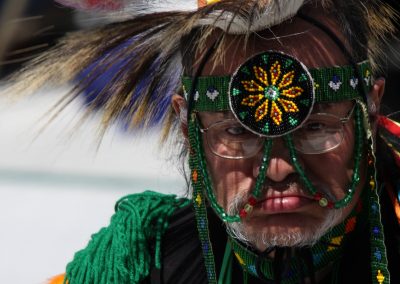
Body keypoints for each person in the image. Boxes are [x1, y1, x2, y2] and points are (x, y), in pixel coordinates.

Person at [6, 0, 400, 283]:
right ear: (186, 128)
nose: (278, 168)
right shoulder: (140, 264)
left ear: (370, 107)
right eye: (237, 132)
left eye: (314, 127)